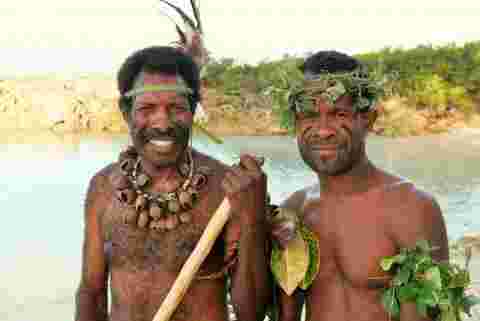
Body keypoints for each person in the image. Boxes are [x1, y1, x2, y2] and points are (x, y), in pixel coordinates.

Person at [75, 46, 271, 321]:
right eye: (147, 108)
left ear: (193, 110)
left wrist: (253, 220)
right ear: (125, 111)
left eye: (176, 108)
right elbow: (91, 292)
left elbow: (251, 313)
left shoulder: (228, 190)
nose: (162, 122)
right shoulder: (103, 189)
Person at [272, 51, 449, 321]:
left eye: (338, 113)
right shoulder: (292, 211)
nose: (322, 130)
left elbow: (428, 314)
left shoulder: (410, 208)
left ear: (368, 120)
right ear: (296, 123)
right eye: (309, 114)